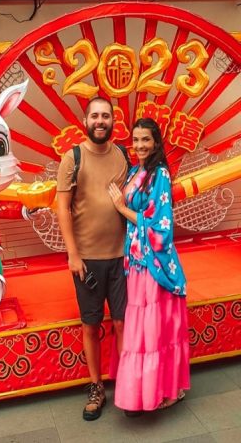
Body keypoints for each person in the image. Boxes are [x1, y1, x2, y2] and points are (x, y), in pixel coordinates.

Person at [108, 118, 189, 414]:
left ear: (156, 142)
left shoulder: (161, 175)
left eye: (146, 140)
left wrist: (122, 209)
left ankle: (165, 391)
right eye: (136, 140)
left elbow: (161, 225)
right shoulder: (135, 171)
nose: (140, 145)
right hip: (136, 261)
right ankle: (143, 391)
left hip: (154, 264)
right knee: (142, 331)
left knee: (155, 333)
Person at [56, 97, 128, 421]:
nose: (100, 121)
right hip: (86, 260)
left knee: (122, 323)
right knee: (91, 324)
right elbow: (62, 208)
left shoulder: (124, 156)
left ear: (114, 120)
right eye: (95, 116)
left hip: (122, 256)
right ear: (85, 120)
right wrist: (72, 253)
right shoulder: (72, 157)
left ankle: (126, 384)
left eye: (106, 116)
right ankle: (96, 386)